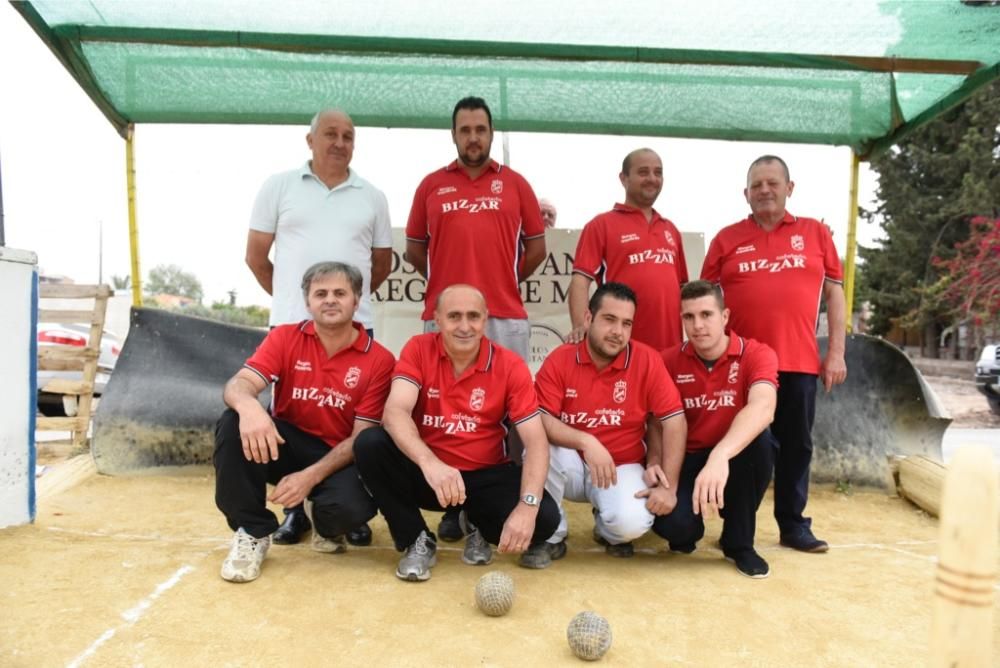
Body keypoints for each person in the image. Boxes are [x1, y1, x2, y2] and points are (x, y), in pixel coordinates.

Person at [245, 108, 392, 546]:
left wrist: (342, 308)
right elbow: (256, 256)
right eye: (330, 134)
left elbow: (380, 264)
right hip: (290, 330)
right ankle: (294, 511)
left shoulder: (373, 196)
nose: (340, 142)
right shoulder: (279, 187)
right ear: (309, 140)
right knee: (293, 421)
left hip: (355, 330)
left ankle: (350, 504)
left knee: (353, 425)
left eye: (348, 135)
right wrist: (296, 304)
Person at [405, 96, 547, 541]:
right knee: (442, 416)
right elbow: (414, 249)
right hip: (441, 319)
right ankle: (451, 505)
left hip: (504, 317)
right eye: (465, 130)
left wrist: (500, 283)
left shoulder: (517, 184)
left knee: (512, 424)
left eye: (481, 129)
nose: (473, 138)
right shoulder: (431, 185)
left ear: (489, 132)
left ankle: (507, 507)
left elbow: (537, 250)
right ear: (454, 135)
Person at [353, 285, 560, 582]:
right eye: (454, 316)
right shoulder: (419, 348)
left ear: (486, 319)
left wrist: (528, 508)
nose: (465, 326)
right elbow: (395, 412)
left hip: (485, 476)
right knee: (370, 444)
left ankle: (474, 522)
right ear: (437, 319)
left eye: (473, 316)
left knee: (545, 520)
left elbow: (536, 442)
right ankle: (416, 539)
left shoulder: (510, 364)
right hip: (430, 477)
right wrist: (430, 463)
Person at [214, 262, 395, 583]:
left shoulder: (379, 359)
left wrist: (308, 479)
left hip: (338, 455)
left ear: (357, 300)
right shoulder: (284, 337)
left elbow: (361, 438)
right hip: (287, 444)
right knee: (232, 421)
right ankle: (252, 531)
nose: (330, 300)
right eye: (320, 293)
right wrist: (250, 407)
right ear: (307, 301)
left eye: (340, 293)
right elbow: (237, 385)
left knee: (348, 513)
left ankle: (317, 513)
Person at [701, 155, 847, 553]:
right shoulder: (726, 239)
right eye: (756, 185)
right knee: (745, 444)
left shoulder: (816, 234)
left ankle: (793, 524)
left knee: (796, 446)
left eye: (772, 183)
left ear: (789, 188)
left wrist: (836, 351)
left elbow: (835, 293)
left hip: (799, 361)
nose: (764, 190)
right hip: (741, 365)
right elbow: (705, 301)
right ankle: (736, 520)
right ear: (745, 193)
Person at [528, 282, 686, 564]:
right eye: (609, 320)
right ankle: (551, 534)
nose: (618, 332)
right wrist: (586, 441)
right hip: (572, 463)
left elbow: (674, 421)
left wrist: (669, 486)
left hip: (621, 465)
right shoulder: (560, 359)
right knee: (537, 447)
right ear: (588, 319)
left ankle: (607, 529)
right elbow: (540, 417)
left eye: (626, 324)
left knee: (630, 524)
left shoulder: (647, 360)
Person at [654, 280, 779, 578]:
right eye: (689, 317)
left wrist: (720, 455)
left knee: (760, 440)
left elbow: (764, 407)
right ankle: (687, 529)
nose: (698, 325)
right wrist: (660, 472)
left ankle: (738, 543)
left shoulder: (756, 354)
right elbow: (655, 424)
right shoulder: (667, 361)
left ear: (724, 317)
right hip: (687, 458)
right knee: (676, 529)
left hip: (732, 458)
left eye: (706, 315)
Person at [567, 148, 688, 351]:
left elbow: (684, 290)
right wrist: (581, 327)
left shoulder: (671, 230)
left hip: (669, 351)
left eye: (658, 173)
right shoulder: (601, 225)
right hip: (620, 349)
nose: (652, 178)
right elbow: (579, 282)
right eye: (643, 172)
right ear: (623, 178)